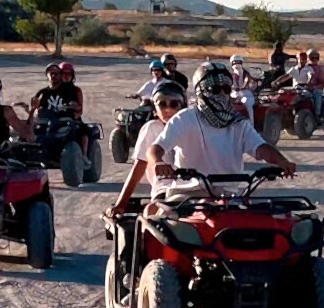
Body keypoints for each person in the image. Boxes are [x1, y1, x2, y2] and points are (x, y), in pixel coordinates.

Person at [147, 62, 296, 198]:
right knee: (172, 224)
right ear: (201, 91)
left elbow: (260, 147)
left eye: (226, 89)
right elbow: (156, 148)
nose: (222, 94)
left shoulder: (238, 123)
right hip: (189, 193)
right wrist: (158, 162)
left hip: (229, 195)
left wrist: (282, 161)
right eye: (216, 89)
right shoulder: (185, 118)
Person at [109, 81, 187, 215]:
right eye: (162, 104)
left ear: (182, 106)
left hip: (194, 188)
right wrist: (121, 204)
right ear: (154, 108)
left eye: (173, 104)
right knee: (152, 213)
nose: (167, 109)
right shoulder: (152, 128)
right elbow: (138, 168)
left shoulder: (190, 126)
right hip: (166, 190)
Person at [230, 54, 255, 120]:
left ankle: (251, 124)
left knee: (248, 104)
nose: (236, 64)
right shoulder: (230, 74)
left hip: (246, 93)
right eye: (235, 62)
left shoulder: (246, 73)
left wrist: (243, 86)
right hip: (234, 93)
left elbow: (248, 80)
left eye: (238, 62)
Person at [306, 48, 324, 119]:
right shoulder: (304, 67)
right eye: (312, 57)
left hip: (315, 89)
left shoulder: (320, 68)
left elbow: (322, 84)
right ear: (308, 58)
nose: (314, 59)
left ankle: (317, 114)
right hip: (302, 88)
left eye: (316, 57)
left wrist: (314, 87)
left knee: (317, 94)